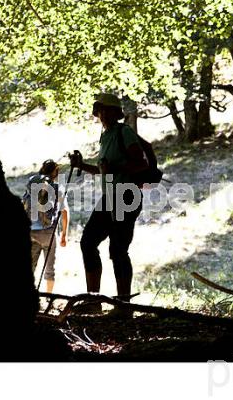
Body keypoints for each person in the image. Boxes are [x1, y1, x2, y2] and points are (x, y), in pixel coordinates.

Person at [70, 93, 148, 314]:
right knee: (88, 242)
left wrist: (114, 170)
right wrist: (82, 165)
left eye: (104, 109)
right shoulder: (105, 136)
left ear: (115, 112)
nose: (100, 113)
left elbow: (141, 164)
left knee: (118, 250)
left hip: (127, 195)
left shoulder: (124, 132)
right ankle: (93, 301)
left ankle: (124, 306)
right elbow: (103, 171)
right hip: (111, 196)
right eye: (98, 109)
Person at [24, 159, 69, 293]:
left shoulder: (32, 183)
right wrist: (64, 235)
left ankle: (27, 297)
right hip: (48, 233)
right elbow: (65, 212)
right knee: (50, 269)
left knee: (29, 266)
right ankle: (49, 298)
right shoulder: (57, 188)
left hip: (31, 231)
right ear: (55, 172)